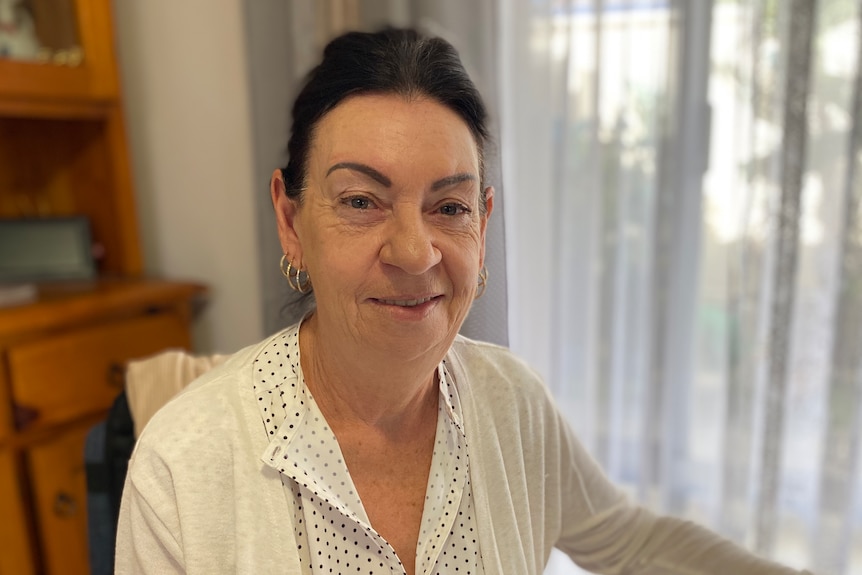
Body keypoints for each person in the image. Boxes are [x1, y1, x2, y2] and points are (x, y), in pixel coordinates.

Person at [115, 28, 813, 575]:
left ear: (482, 223)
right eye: (361, 200)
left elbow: (631, 543)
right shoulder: (182, 466)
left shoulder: (512, 402)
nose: (416, 253)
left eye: (448, 205)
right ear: (291, 220)